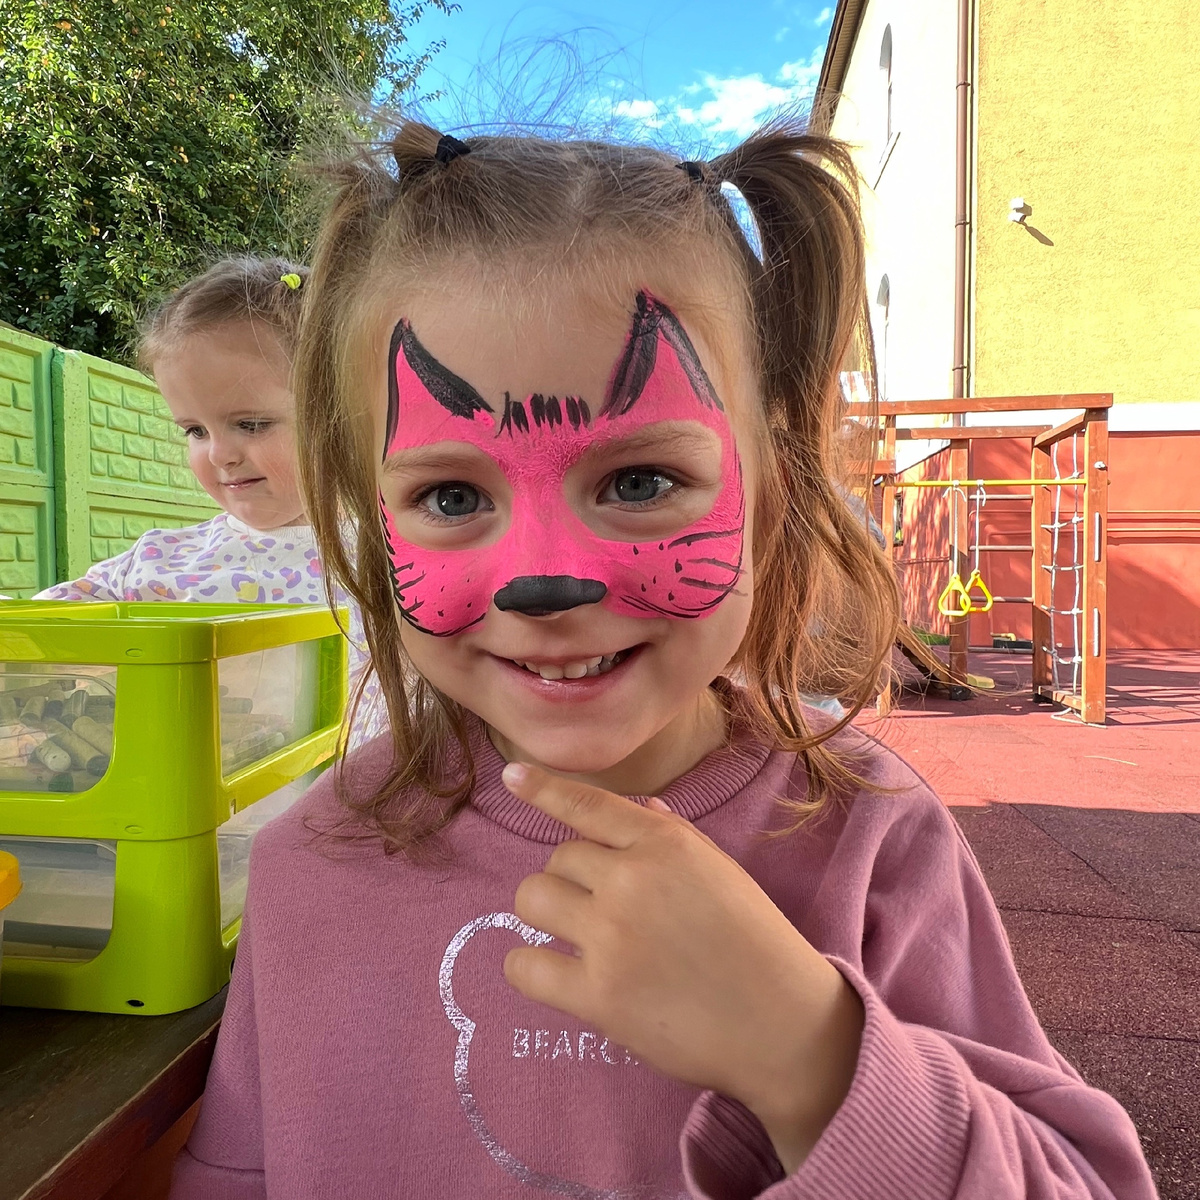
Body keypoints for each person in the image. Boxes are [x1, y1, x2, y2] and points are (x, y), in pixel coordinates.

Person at [170, 123, 1156, 1198]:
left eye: (639, 482)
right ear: (370, 512)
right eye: (450, 496)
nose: (545, 582)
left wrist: (809, 1053)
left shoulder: (871, 843)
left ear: (774, 486)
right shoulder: (312, 864)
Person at [35, 256, 379, 740]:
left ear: (343, 411)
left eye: (250, 424)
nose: (219, 454)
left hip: (352, 791)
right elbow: (38, 628)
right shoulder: (158, 562)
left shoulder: (390, 564)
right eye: (195, 430)